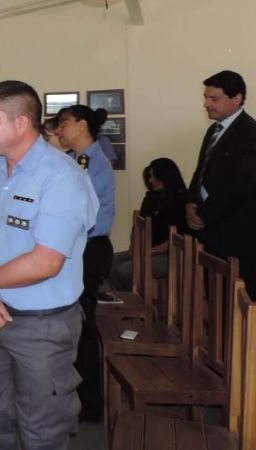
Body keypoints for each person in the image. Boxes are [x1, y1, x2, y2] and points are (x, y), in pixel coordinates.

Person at [0, 80, 98, 450]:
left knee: (42, 429)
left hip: (40, 326)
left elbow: (45, 262)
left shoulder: (62, 176)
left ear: (20, 124)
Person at [56, 104, 115, 422]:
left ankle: (90, 401)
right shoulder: (76, 159)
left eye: (64, 123)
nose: (60, 130)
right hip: (81, 248)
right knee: (78, 324)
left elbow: (76, 210)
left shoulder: (89, 161)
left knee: (84, 326)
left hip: (89, 249)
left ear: (83, 125)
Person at [186, 70, 256, 297]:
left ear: (237, 99)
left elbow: (240, 187)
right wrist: (190, 203)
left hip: (236, 237)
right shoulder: (214, 130)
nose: (207, 104)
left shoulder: (249, 133)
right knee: (216, 298)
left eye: (214, 99)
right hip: (211, 233)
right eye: (206, 98)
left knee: (233, 303)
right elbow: (201, 172)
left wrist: (202, 213)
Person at [108, 158, 188, 291]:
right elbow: (138, 226)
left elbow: (179, 238)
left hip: (171, 254)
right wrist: (135, 246)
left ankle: (134, 298)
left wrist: (150, 252)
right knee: (108, 263)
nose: (150, 180)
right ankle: (124, 297)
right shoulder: (152, 197)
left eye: (153, 176)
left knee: (125, 270)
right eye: (149, 176)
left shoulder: (182, 200)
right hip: (147, 250)